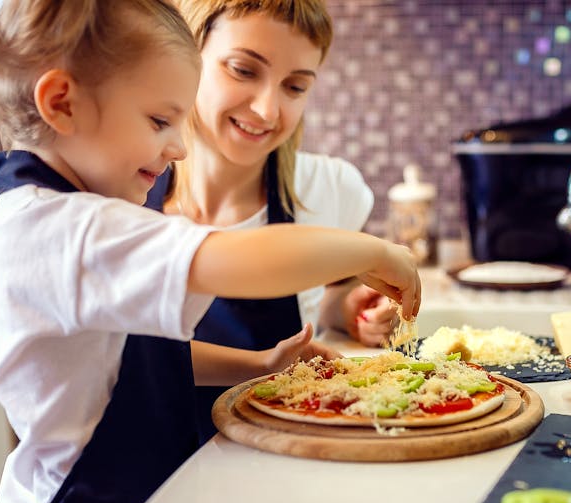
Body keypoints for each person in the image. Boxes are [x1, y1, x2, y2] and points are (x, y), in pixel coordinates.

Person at [0, 1, 419, 503]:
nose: (176, 147)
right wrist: (376, 252)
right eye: (158, 120)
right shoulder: (64, 228)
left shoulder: (60, 216)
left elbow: (130, 362)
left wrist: (255, 366)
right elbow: (234, 257)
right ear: (61, 102)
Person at [157, 0, 399, 443]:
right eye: (244, 70)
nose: (268, 110)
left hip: (281, 464)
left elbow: (322, 301)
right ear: (187, 54)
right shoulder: (124, 198)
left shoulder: (330, 188)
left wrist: (349, 310)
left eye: (295, 86)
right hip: (152, 479)